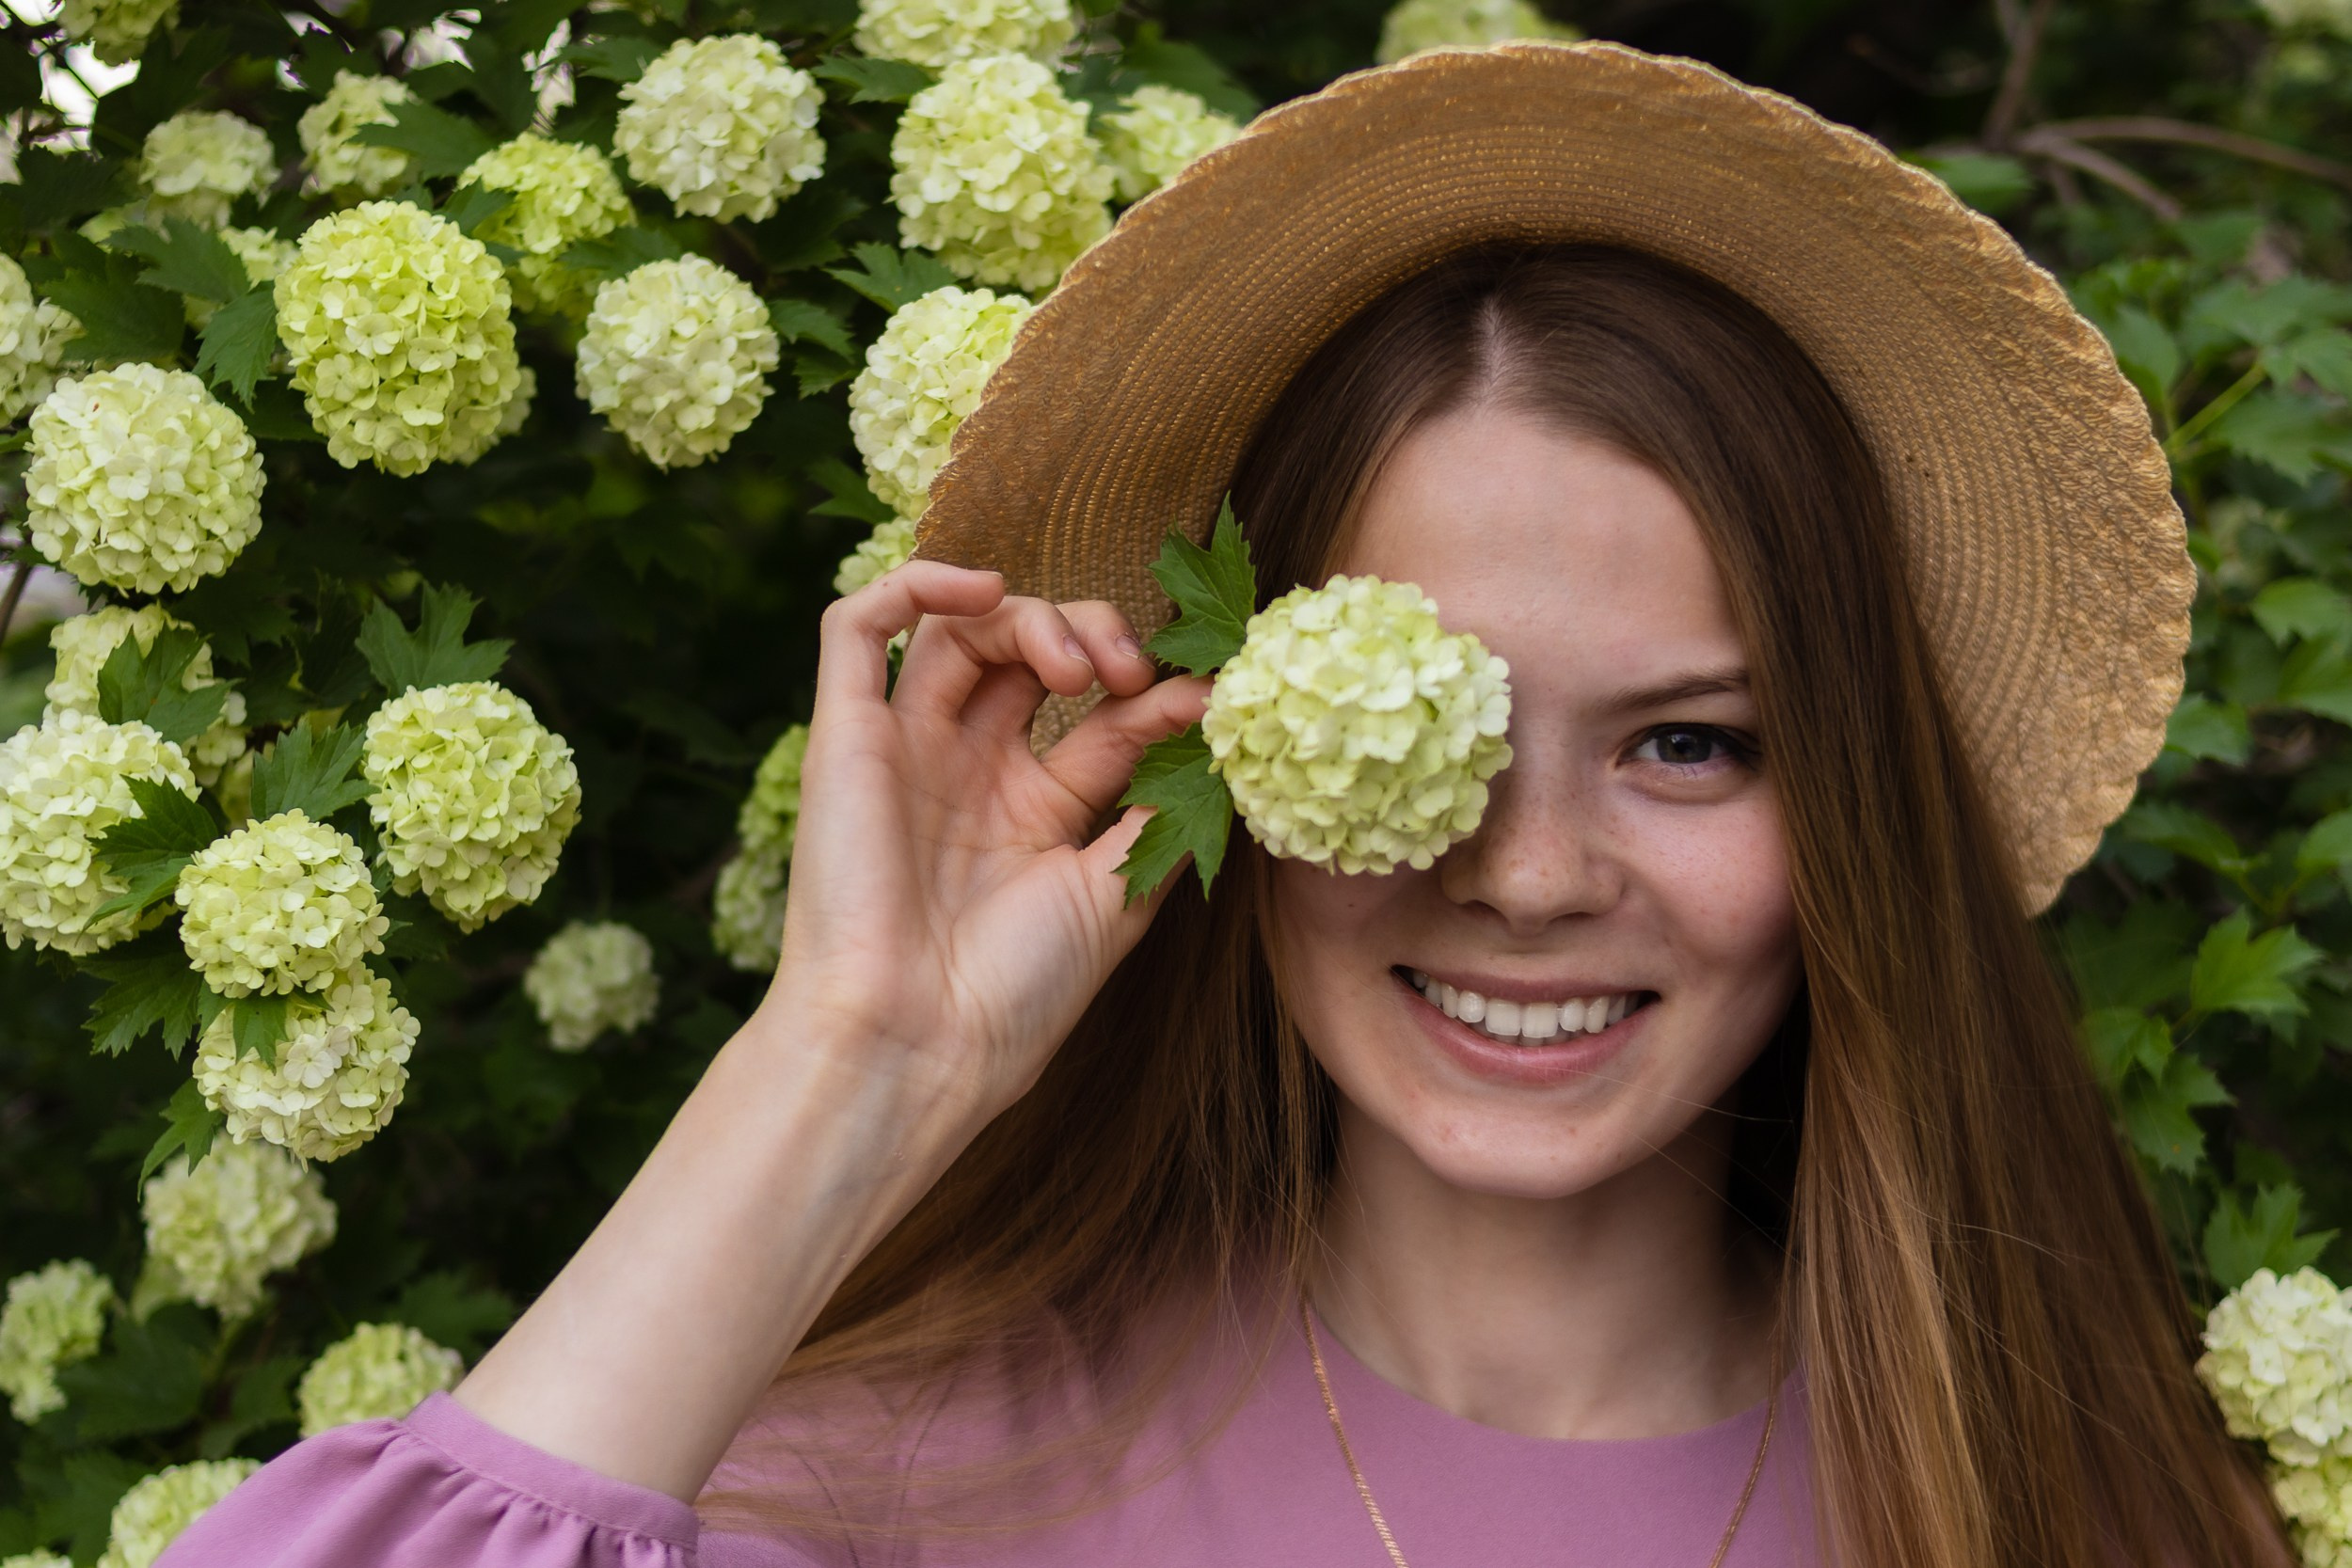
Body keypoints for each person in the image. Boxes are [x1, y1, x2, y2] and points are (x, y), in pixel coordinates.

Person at [161, 40, 2290, 1568]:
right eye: (1431, 730)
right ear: (1227, 750)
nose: (1531, 876)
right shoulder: (865, 1498)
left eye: (1689, 743)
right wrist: (848, 1069)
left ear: (1846, 815)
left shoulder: (2092, 1513)